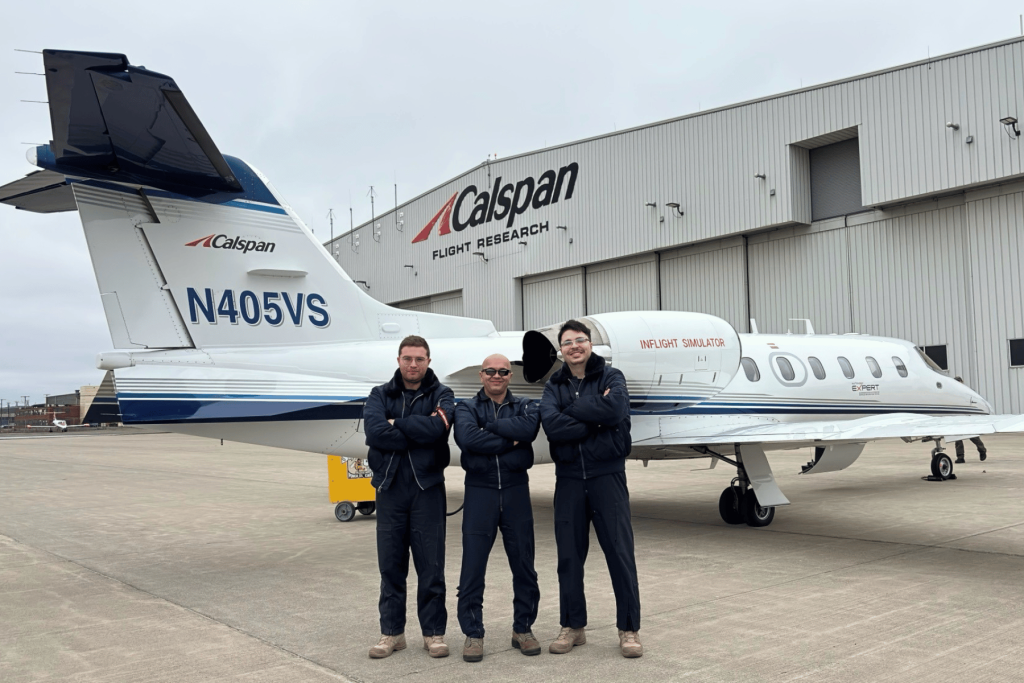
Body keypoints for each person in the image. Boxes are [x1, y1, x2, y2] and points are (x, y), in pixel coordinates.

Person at [539, 319, 643, 658]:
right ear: (561, 350)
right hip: (568, 480)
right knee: (569, 558)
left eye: (580, 340)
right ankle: (573, 627)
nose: (574, 346)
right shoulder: (554, 384)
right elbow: (552, 426)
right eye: (567, 342)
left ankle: (628, 630)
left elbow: (615, 410)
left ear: (590, 344)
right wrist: (594, 415)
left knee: (620, 555)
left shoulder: (612, 377)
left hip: (607, 477)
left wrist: (574, 411)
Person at [364, 335, 454, 659]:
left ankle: (433, 634)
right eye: (407, 358)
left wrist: (397, 425)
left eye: (419, 359)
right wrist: (417, 431)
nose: (413, 364)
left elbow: (437, 431)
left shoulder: (442, 394)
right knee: (391, 565)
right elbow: (374, 432)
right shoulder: (379, 394)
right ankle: (392, 634)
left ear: (428, 361)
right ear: (398, 360)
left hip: (427, 489)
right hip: (389, 489)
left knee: (431, 566)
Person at [453, 354, 542, 663]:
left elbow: (529, 431)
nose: (497, 376)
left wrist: (488, 429)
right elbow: (466, 438)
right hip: (480, 491)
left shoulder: (526, 406)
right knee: (473, 567)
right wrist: (510, 439)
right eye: (490, 371)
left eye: (503, 371)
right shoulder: (465, 407)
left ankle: (523, 629)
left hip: (517, 491)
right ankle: (473, 633)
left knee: (524, 565)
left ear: (509, 376)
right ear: (481, 375)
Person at [953, 376, 988, 463]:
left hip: (967, 417)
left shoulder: (968, 393)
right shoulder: (952, 394)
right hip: (957, 418)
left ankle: (982, 450)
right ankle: (960, 457)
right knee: (957, 438)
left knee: (973, 436)